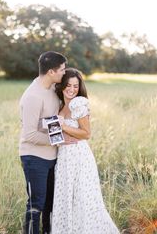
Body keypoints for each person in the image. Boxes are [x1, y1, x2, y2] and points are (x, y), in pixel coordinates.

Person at [51, 68, 120, 234]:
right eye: (68, 85)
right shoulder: (59, 106)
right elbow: (56, 138)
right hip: (64, 158)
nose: (72, 89)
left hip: (80, 157)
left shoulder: (79, 104)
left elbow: (86, 133)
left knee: (83, 200)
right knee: (66, 198)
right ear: (61, 86)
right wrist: (58, 138)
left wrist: (63, 126)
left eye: (75, 86)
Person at [19, 51, 67, 234]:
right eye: (62, 70)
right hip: (34, 158)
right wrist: (57, 140)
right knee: (36, 204)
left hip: (51, 157)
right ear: (51, 72)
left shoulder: (52, 90)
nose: (64, 72)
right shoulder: (33, 95)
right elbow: (29, 135)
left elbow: (48, 121)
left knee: (50, 203)